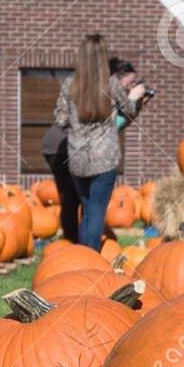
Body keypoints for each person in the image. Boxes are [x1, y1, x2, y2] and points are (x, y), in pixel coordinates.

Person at [53, 35, 148, 250]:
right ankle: (91, 261)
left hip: (77, 158)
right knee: (96, 213)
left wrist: (77, 123)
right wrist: (135, 96)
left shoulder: (69, 85)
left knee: (87, 211)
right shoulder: (112, 85)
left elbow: (60, 120)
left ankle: (83, 257)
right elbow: (129, 111)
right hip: (104, 159)